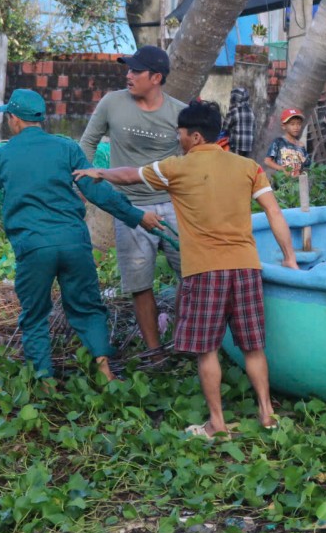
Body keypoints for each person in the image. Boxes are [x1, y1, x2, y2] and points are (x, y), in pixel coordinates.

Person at [75, 100, 299, 437]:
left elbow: (130, 175)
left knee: (206, 350)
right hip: (245, 268)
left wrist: (99, 172)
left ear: (194, 136)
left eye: (180, 133)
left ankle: (217, 423)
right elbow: (275, 213)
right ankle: (267, 414)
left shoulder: (176, 168)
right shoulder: (248, 167)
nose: (177, 138)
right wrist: (290, 258)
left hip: (204, 271)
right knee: (253, 347)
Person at [0, 89, 160, 382]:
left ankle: (44, 382)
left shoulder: (3, 154)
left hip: (34, 247)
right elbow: (97, 191)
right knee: (86, 306)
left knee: (35, 315)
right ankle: (104, 369)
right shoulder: (66, 148)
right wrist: (137, 216)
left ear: (14, 119)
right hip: (74, 243)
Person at [80, 45, 185, 351]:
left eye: (135, 71)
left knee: (190, 276)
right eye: (128, 69)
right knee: (140, 284)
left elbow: (193, 158)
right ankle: (155, 354)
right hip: (129, 207)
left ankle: (181, 341)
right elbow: (88, 142)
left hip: (173, 204)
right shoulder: (112, 103)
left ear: (156, 78)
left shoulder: (178, 112)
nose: (128, 75)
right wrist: (84, 185)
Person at [264, 108, 311, 176]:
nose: (296, 127)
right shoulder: (278, 142)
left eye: (299, 124)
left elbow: (307, 165)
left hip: (297, 183)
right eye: (292, 124)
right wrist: (281, 169)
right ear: (284, 126)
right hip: (282, 183)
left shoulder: (301, 146)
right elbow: (267, 161)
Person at [222, 86, 255, 158]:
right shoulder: (251, 112)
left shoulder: (234, 111)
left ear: (234, 98)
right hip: (248, 146)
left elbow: (224, 128)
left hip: (236, 146)